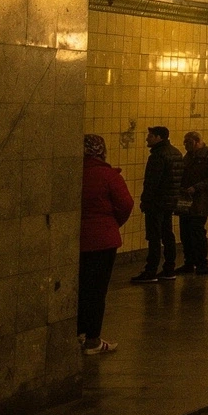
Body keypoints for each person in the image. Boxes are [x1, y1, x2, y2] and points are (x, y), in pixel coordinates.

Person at [80, 134, 131, 355]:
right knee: (96, 291)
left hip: (75, 241)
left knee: (79, 289)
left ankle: (76, 333)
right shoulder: (109, 176)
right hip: (102, 242)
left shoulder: (71, 172)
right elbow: (125, 204)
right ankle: (92, 340)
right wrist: (111, 223)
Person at [131, 126, 182, 283]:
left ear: (159, 137)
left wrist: (145, 201)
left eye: (150, 136)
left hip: (156, 202)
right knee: (168, 235)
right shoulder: (176, 153)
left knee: (154, 237)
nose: (147, 138)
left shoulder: (158, 156)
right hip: (170, 201)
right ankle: (169, 269)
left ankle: (151, 270)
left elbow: (152, 182)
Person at [177, 131, 208, 274]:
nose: (185, 146)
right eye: (184, 142)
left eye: (188, 142)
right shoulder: (189, 156)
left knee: (197, 231)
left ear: (197, 141)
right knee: (185, 232)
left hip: (201, 201)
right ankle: (189, 262)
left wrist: (197, 187)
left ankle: (202, 263)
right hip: (186, 200)